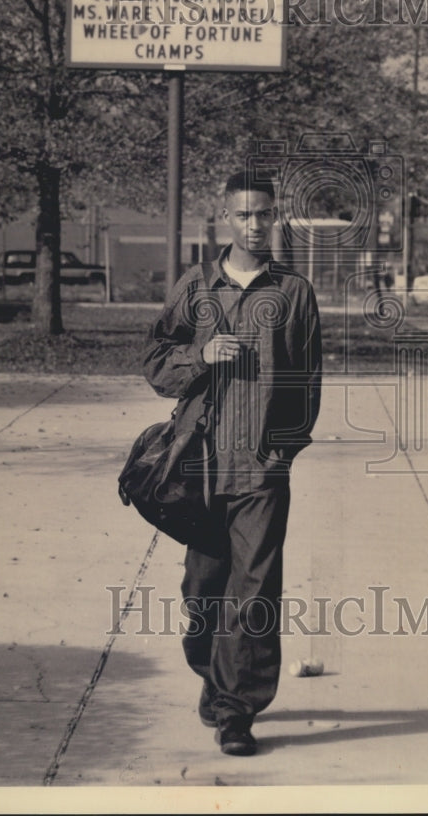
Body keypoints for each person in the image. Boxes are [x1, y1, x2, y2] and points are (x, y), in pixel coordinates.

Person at [143, 171, 322, 757]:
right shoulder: (195, 285)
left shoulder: (295, 292)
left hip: (261, 472)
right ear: (225, 217)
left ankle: (237, 708)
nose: (255, 224)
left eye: (264, 214)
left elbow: (308, 381)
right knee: (202, 591)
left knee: (255, 591)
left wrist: (282, 451)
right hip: (198, 466)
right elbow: (154, 360)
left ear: (276, 217)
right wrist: (201, 354)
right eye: (244, 214)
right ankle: (212, 676)